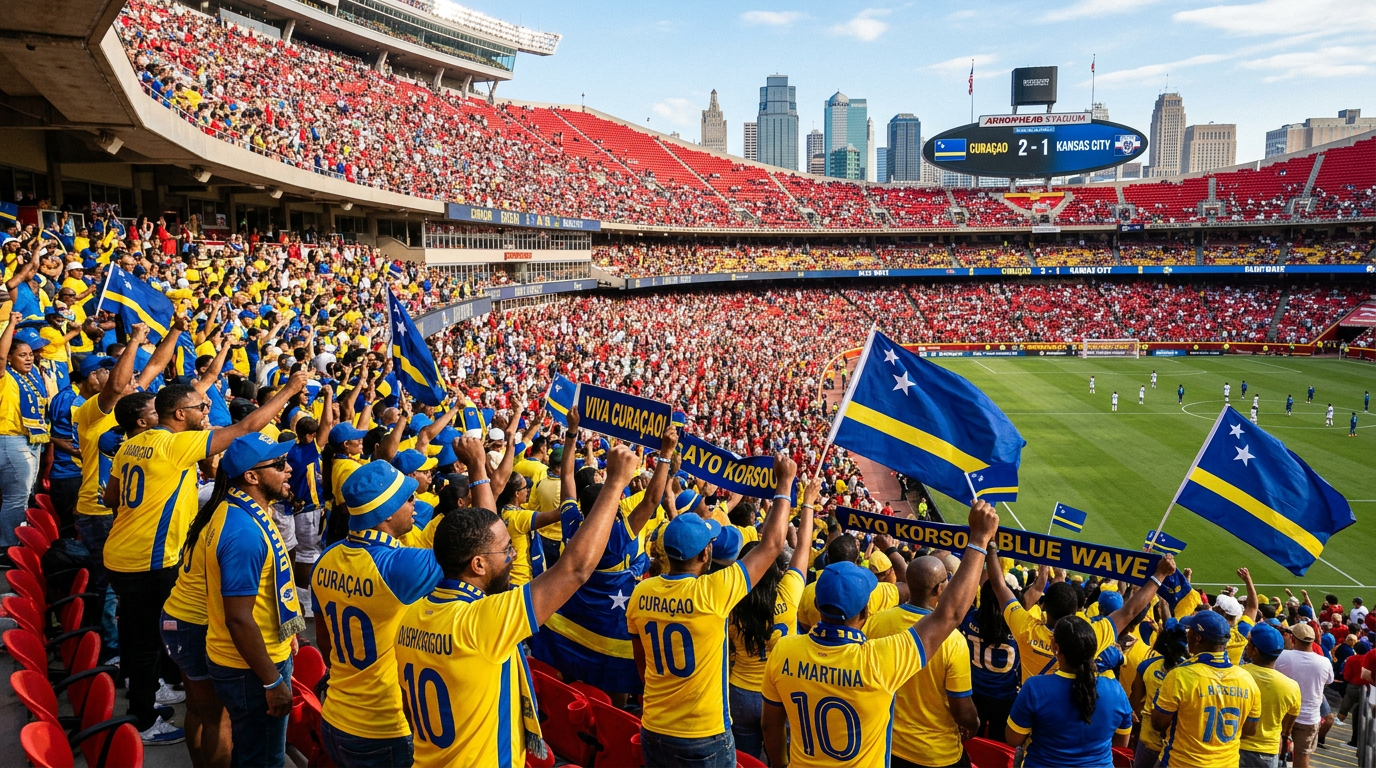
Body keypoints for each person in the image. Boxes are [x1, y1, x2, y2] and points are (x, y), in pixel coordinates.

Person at [392, 442, 640, 767]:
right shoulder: (484, 622)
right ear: (478, 565)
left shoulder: (413, 616)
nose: (512, 556)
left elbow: (486, 529)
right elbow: (575, 569)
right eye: (507, 550)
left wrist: (479, 468)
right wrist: (614, 485)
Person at [105, 361, 307, 745]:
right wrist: (289, 390)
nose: (207, 413)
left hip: (119, 550)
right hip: (152, 559)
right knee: (148, 644)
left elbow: (112, 497)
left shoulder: (131, 444)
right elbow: (246, 428)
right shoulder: (176, 443)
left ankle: (144, 695)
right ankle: (144, 720)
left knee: (135, 635)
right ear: (180, 415)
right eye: (201, 408)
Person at [761, 500, 997, 768]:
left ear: (817, 604)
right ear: (864, 613)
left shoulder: (783, 651)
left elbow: (770, 726)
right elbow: (950, 615)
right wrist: (978, 538)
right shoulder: (878, 660)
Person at [626, 452, 796, 767]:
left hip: (653, 722)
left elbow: (643, 665)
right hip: (703, 734)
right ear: (706, 555)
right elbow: (772, 544)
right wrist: (784, 482)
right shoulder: (713, 593)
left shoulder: (641, 593)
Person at [312, 457, 444, 767]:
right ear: (386, 513)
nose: (415, 504)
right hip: (382, 727)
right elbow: (484, 543)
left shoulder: (327, 558)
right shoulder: (401, 566)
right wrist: (479, 471)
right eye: (408, 499)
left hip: (335, 713)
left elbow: (324, 641)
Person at [202, 432, 306, 768]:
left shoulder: (243, 511)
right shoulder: (243, 531)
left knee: (255, 752)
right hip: (251, 669)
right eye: (278, 464)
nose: (288, 469)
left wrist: (286, 631)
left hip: (256, 658)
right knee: (263, 759)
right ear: (252, 476)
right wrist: (272, 681)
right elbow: (238, 618)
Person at [727, 475, 818, 759]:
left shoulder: (728, 598)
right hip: (782, 690)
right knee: (782, 757)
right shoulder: (790, 592)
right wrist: (808, 504)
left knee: (747, 760)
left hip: (740, 691)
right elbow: (802, 547)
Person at [987, 555, 1174, 686]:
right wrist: (1160, 575)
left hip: (1033, 715)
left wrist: (991, 545)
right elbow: (1129, 611)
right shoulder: (1090, 635)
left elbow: (999, 585)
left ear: (1044, 608)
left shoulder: (1025, 627)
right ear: (1076, 611)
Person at [867, 554, 981, 768]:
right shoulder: (953, 640)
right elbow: (961, 708)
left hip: (887, 745)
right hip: (936, 754)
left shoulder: (876, 622)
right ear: (939, 589)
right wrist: (973, 724)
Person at [1007, 615, 1134, 767]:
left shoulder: (1034, 688)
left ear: (1055, 646)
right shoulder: (1116, 690)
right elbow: (1121, 743)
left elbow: (1013, 739)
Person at [1151, 611, 1261, 768]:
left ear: (1197, 638)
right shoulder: (1247, 679)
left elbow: (1158, 724)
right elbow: (1249, 730)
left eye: (1189, 632)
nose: (1186, 636)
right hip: (1227, 763)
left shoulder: (1180, 675)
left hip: (1181, 763)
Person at [0, 313, 55, 551]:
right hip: (11, 440)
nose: (29, 359)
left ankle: (13, 542)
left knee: (22, 496)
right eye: (22, 355)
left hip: (29, 441)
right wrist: (12, 322)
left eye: (30, 354)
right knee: (16, 498)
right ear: (9, 357)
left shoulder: (30, 377)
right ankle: (8, 547)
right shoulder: (4, 376)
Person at [961, 581, 1019, 743]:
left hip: (974, 693)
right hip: (1005, 697)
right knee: (998, 744)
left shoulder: (969, 618)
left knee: (972, 741)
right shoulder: (1016, 625)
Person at [1238, 624, 1301, 768]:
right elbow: (1287, 728)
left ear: (1254, 650)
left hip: (1235, 747)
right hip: (1268, 752)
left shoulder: (1235, 674)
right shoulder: (1292, 686)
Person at [1129, 619, 1189, 768]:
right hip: (1178, 744)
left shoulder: (1147, 666)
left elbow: (1134, 704)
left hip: (1149, 740)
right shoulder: (1191, 672)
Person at [1275, 621, 1334, 768]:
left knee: (1274, 752)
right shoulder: (1324, 662)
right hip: (1309, 717)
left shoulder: (1283, 656)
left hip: (1283, 714)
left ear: (1294, 639)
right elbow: (1329, 681)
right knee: (1302, 756)